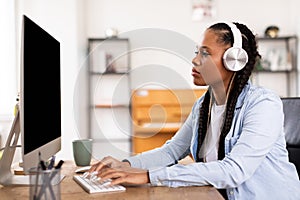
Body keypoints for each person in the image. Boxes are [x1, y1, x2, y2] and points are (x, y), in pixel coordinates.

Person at [87, 22, 300, 199]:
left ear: (233, 60)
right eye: (197, 52)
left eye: (205, 54)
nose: (195, 60)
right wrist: (125, 165)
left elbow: (234, 171)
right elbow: (171, 152)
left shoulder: (263, 105)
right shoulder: (203, 106)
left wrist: (147, 176)